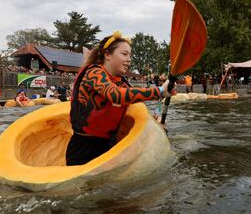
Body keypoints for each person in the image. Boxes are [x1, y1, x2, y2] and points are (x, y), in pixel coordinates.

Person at [66, 31, 175, 166]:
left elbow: (135, 110)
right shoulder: (94, 72)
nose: (129, 59)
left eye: (130, 55)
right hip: (82, 148)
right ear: (107, 55)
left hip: (109, 146)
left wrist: (156, 125)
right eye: (124, 54)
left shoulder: (123, 83)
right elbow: (116, 95)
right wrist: (159, 91)